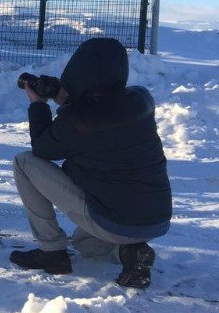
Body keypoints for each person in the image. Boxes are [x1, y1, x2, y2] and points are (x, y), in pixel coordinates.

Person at [9, 37, 172, 289]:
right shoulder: (141, 100)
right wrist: (64, 97)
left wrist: (39, 104)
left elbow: (42, 149)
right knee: (86, 245)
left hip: (113, 218)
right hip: (154, 219)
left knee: (24, 162)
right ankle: (132, 253)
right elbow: (103, 109)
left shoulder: (77, 120)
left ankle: (52, 252)